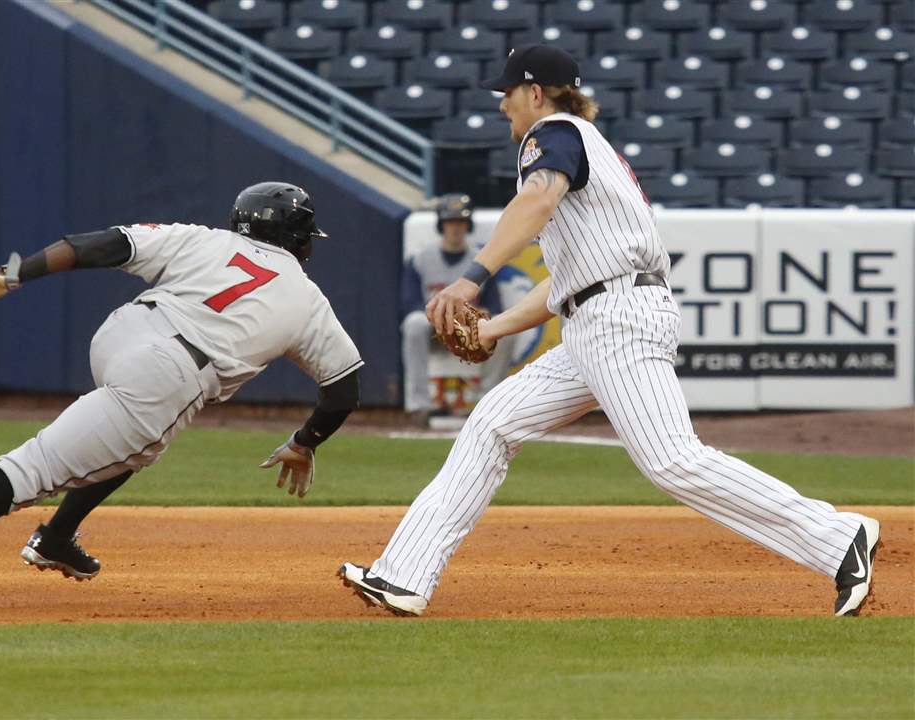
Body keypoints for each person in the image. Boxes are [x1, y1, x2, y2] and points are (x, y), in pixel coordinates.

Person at [338, 46, 880, 618]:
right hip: (596, 318)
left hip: (618, 319)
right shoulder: (586, 152)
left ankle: (836, 539)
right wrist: (494, 327)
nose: (503, 104)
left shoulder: (554, 132)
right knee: (492, 425)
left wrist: (472, 279)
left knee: (672, 461)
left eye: (508, 92)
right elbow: (567, 285)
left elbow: (538, 200)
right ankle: (404, 575)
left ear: (537, 93)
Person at [0, 181, 363, 611]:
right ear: (300, 240)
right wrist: (303, 443)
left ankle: (57, 537)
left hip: (122, 335)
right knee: (40, 467)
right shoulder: (306, 298)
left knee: (136, 446)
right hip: (169, 374)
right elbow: (342, 391)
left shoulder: (204, 239)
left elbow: (103, 245)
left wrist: (13, 273)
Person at [400, 194, 511, 424]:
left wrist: (477, 324)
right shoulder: (421, 258)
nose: (455, 227)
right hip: (433, 326)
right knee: (413, 323)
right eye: (450, 221)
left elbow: (494, 306)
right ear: (441, 224)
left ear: (468, 225)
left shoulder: (481, 259)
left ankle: (488, 404)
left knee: (504, 326)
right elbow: (410, 305)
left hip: (471, 328)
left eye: (460, 222)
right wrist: (441, 320)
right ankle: (419, 407)